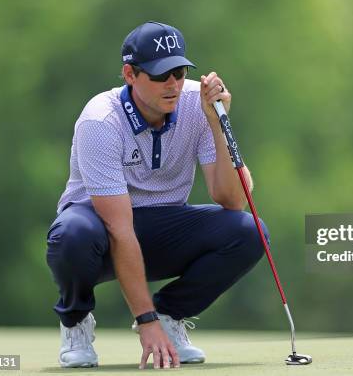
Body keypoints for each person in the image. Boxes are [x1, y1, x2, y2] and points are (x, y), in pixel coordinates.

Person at [46, 21, 267, 369]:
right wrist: (143, 320)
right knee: (71, 235)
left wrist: (217, 122)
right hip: (98, 232)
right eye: (160, 75)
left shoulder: (198, 104)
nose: (173, 84)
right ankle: (75, 321)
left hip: (160, 227)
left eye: (179, 72)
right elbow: (119, 228)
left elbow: (232, 200)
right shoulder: (101, 120)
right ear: (129, 74)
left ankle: (171, 315)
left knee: (249, 230)